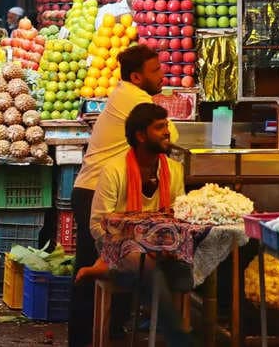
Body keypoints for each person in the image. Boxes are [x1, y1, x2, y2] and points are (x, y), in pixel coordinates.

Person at [68, 44, 179, 346]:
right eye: (155, 70)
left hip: (97, 188)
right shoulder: (134, 97)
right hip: (96, 193)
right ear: (137, 76)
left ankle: (109, 334)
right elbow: (171, 137)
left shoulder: (126, 93)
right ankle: (82, 339)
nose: (162, 74)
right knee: (92, 271)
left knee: (113, 270)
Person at [79, 103, 190, 347]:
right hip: (118, 247)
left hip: (164, 248)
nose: (167, 132)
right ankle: (179, 338)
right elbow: (97, 225)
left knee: (185, 270)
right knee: (144, 262)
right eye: (159, 127)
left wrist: (159, 243)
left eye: (166, 125)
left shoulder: (174, 170)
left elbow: (178, 218)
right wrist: (137, 242)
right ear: (141, 135)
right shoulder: (114, 171)